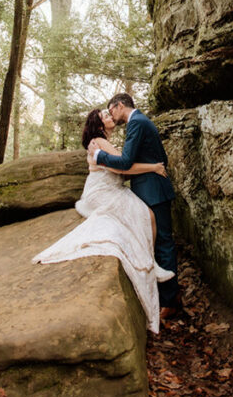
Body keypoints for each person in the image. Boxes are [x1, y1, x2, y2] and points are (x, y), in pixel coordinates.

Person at [34, 108, 175, 332]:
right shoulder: (99, 141)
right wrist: (153, 167)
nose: (110, 117)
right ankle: (151, 263)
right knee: (144, 215)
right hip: (102, 192)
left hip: (111, 188)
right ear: (99, 125)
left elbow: (122, 169)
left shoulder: (102, 141)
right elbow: (124, 165)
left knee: (144, 216)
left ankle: (151, 263)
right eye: (105, 116)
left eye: (110, 114)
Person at [88, 93, 181, 320]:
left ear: (120, 106)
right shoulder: (139, 122)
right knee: (158, 241)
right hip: (148, 189)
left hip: (154, 191)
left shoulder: (137, 123)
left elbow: (126, 162)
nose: (111, 115)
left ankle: (170, 301)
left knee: (163, 243)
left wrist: (99, 155)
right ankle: (166, 294)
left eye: (112, 111)